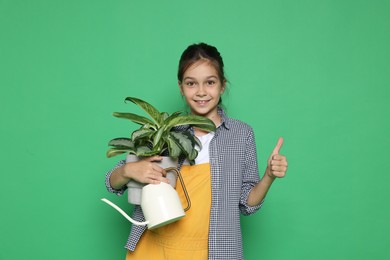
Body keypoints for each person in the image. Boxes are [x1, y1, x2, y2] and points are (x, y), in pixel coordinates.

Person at [105, 43, 288, 259]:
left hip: (215, 252)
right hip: (156, 248)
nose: (201, 92)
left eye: (210, 82)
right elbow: (111, 183)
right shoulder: (164, 131)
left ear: (222, 86)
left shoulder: (241, 134)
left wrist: (268, 176)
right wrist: (128, 171)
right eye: (191, 83)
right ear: (181, 87)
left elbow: (247, 204)